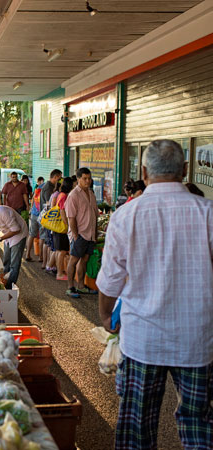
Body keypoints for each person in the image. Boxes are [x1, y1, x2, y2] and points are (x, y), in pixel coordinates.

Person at [97, 139, 213, 449]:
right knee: (198, 422)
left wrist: (106, 314)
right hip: (198, 340)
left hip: (143, 340)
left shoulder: (126, 215)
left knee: (137, 423)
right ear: (185, 170)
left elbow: (110, 281)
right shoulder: (208, 212)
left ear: (144, 172)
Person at [65, 167, 99, 298]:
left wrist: (95, 234)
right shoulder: (73, 195)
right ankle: (70, 287)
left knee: (84, 260)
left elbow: (95, 215)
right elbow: (71, 217)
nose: (88, 181)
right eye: (84, 178)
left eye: (89, 178)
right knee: (73, 260)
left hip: (90, 234)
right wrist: (75, 235)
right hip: (79, 234)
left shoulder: (91, 193)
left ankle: (81, 286)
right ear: (78, 179)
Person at [39, 170, 62, 269]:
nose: (60, 180)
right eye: (60, 178)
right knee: (47, 242)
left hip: (46, 217)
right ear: (55, 177)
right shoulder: (49, 188)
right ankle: (46, 263)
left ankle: (46, 263)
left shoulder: (48, 187)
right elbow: (49, 204)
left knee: (46, 241)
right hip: (48, 218)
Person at [52, 177, 73, 281]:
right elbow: (62, 212)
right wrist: (68, 225)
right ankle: (59, 273)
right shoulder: (64, 196)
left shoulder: (60, 194)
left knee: (59, 250)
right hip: (62, 227)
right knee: (62, 251)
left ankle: (58, 270)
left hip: (57, 227)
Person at [24, 181, 43, 262]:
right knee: (42, 236)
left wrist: (31, 210)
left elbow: (32, 200)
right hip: (42, 215)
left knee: (31, 234)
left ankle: (27, 254)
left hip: (34, 213)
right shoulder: (49, 189)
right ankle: (41, 257)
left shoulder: (39, 188)